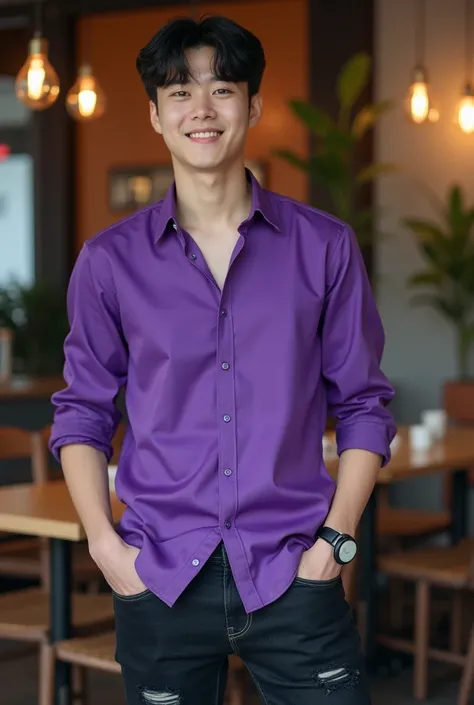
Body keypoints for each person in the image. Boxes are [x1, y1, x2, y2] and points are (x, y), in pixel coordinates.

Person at [50, 14, 396, 705]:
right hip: (161, 577)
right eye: (179, 92)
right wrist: (105, 548)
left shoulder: (323, 247)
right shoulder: (109, 262)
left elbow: (364, 405)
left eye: (222, 89)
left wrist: (336, 541)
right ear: (154, 114)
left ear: (254, 105)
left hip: (294, 572)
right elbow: (82, 413)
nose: (201, 109)